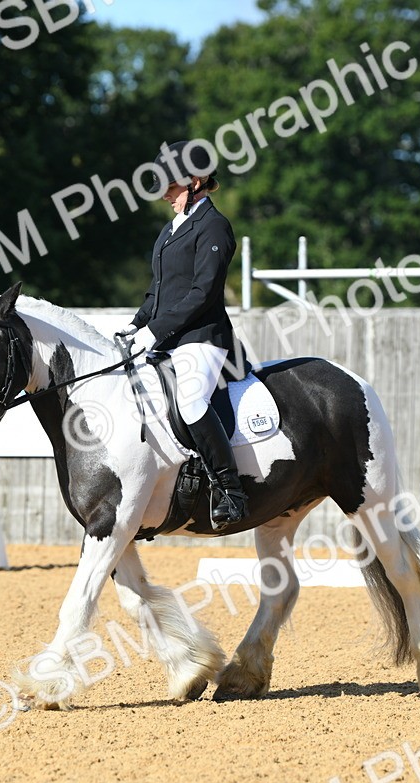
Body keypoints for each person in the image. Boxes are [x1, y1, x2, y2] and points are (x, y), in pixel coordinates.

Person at [117, 141, 248, 529]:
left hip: (202, 338)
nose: (165, 193)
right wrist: (138, 323)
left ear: (197, 180)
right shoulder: (171, 228)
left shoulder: (214, 226)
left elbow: (203, 292)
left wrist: (156, 330)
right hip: (167, 337)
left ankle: (230, 490)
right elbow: (160, 289)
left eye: (172, 186)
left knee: (190, 402)